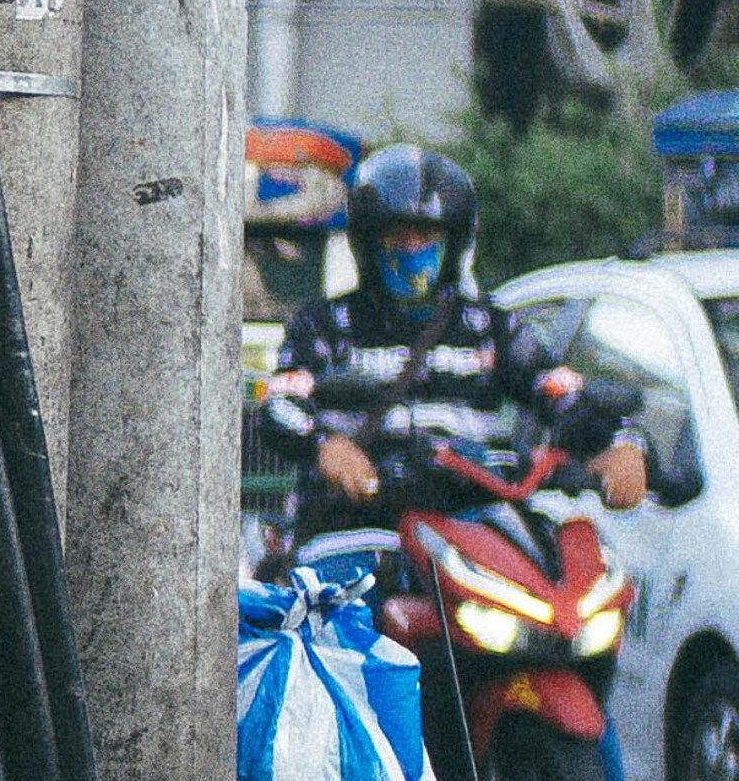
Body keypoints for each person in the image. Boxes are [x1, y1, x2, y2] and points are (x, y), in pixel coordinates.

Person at [261, 141, 650, 535]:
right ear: (367, 241)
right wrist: (324, 444)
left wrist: (623, 443)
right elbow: (280, 405)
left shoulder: (491, 327)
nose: (412, 249)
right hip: (352, 532)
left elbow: (563, 393)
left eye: (427, 235)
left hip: (469, 535)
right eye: (396, 235)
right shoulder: (323, 325)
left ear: (454, 243)